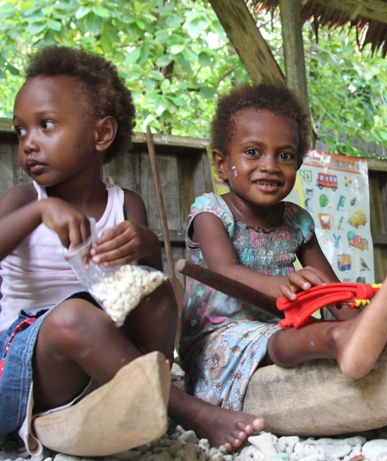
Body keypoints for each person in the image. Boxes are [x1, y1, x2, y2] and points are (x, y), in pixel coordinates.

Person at [0, 46, 265, 455]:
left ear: (101, 133)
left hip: (106, 360)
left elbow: (149, 285)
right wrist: (40, 211)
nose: (29, 143)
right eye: (21, 131)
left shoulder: (125, 204)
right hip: (31, 366)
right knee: (73, 317)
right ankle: (184, 409)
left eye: (45, 125)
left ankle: (131, 402)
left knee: (157, 290)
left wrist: (145, 244)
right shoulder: (22, 201)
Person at [180, 83, 387, 416]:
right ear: (221, 163)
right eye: (252, 152)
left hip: (282, 333)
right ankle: (342, 339)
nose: (271, 165)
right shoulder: (211, 212)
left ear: (298, 163)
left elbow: (332, 293)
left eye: (285, 155)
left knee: (311, 331)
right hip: (218, 344)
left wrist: (371, 319)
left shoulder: (296, 220)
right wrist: (283, 286)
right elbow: (224, 272)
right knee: (293, 338)